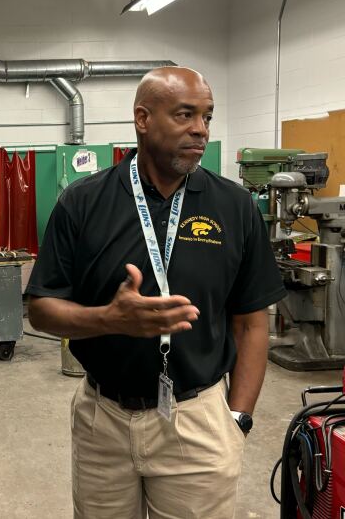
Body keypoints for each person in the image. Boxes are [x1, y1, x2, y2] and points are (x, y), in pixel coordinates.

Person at [26, 66, 286, 518]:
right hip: (102, 421)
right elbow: (41, 310)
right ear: (142, 119)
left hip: (197, 417)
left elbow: (252, 322)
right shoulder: (83, 203)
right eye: (185, 114)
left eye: (207, 117)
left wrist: (238, 417)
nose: (200, 130)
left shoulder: (235, 207)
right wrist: (109, 320)